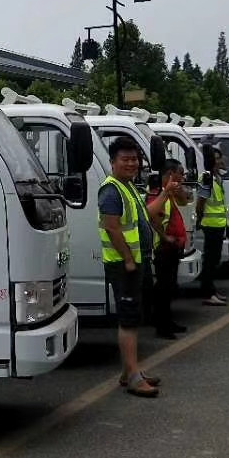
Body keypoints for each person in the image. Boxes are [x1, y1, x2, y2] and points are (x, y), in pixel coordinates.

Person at [98, 136, 159, 396]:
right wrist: (128, 259)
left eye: (135, 159)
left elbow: (142, 218)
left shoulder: (129, 187)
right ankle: (133, 377)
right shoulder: (111, 190)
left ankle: (129, 371)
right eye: (125, 159)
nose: (132, 163)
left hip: (136, 262)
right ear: (113, 162)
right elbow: (111, 227)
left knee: (134, 316)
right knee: (128, 320)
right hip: (125, 265)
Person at [147, 159, 191, 340]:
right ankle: (162, 326)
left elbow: (184, 202)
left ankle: (168, 321)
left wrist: (178, 190)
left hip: (173, 247)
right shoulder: (157, 193)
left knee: (170, 287)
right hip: (163, 248)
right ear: (170, 173)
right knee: (163, 289)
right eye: (180, 173)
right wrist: (165, 237)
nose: (183, 177)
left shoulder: (170, 192)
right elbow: (152, 217)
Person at [195, 146, 228, 307]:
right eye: (217, 158)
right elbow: (200, 202)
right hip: (210, 225)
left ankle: (212, 290)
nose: (220, 161)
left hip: (219, 224)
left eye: (220, 157)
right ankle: (208, 293)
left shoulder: (216, 178)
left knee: (214, 259)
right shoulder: (206, 178)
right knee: (210, 260)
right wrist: (199, 219)